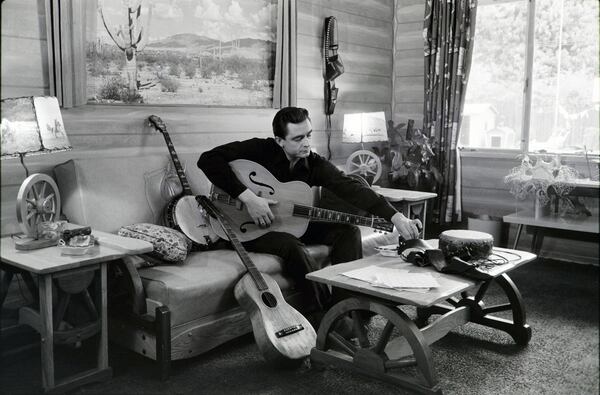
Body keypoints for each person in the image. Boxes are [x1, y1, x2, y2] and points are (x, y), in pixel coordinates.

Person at [197, 107, 421, 310]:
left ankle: (344, 309)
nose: (306, 143)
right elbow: (207, 160)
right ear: (279, 140)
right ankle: (320, 314)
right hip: (247, 225)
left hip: (289, 222)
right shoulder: (259, 149)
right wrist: (249, 199)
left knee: (348, 232)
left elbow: (352, 188)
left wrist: (396, 216)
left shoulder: (313, 163)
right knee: (292, 246)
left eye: (309, 135)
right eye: (298, 138)